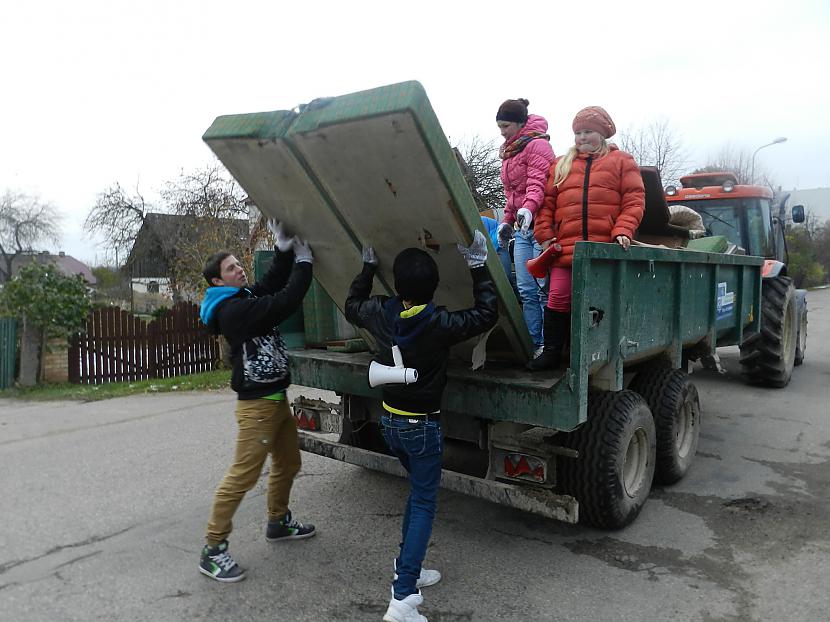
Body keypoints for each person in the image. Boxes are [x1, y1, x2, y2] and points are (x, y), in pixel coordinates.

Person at [345, 231, 498, 622]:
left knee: (418, 494)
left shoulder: (383, 312)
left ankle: (406, 567)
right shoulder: (438, 322)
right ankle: (402, 600)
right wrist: (478, 266)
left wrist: (366, 268)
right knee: (425, 501)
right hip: (422, 427)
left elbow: (352, 305)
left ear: (397, 287)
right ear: (434, 288)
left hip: (391, 423)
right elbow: (486, 314)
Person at [197, 219, 316, 582]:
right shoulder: (231, 311)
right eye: (232, 268)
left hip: (275, 397)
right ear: (218, 281)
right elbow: (283, 301)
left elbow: (269, 285)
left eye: (239, 263)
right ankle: (212, 549)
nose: (240, 269)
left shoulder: (240, 297)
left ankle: (278, 522)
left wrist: (282, 252)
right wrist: (304, 263)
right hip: (257, 406)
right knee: (242, 476)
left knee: (288, 463)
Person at [530, 106, 645, 371]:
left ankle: (596, 357)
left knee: (600, 304)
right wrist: (545, 235)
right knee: (557, 298)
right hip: (566, 249)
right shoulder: (561, 164)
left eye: (588, 132)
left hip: (603, 249)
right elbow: (546, 204)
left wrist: (623, 231)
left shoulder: (621, 161)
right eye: (578, 132)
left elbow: (634, 200)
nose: (582, 137)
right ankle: (551, 353)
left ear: (602, 134)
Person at [496, 98, 556, 358]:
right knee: (526, 290)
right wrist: (506, 221)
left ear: (520, 123)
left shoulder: (538, 145)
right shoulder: (509, 153)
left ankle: (550, 346)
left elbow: (538, 184)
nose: (502, 132)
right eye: (499, 126)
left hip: (542, 225)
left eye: (505, 125)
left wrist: (529, 208)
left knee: (543, 289)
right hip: (522, 228)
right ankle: (535, 344)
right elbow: (512, 195)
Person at [481, 214, 519, 299]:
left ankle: (516, 298)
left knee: (505, 276)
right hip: (489, 243)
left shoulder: (484, 223)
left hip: (499, 242)